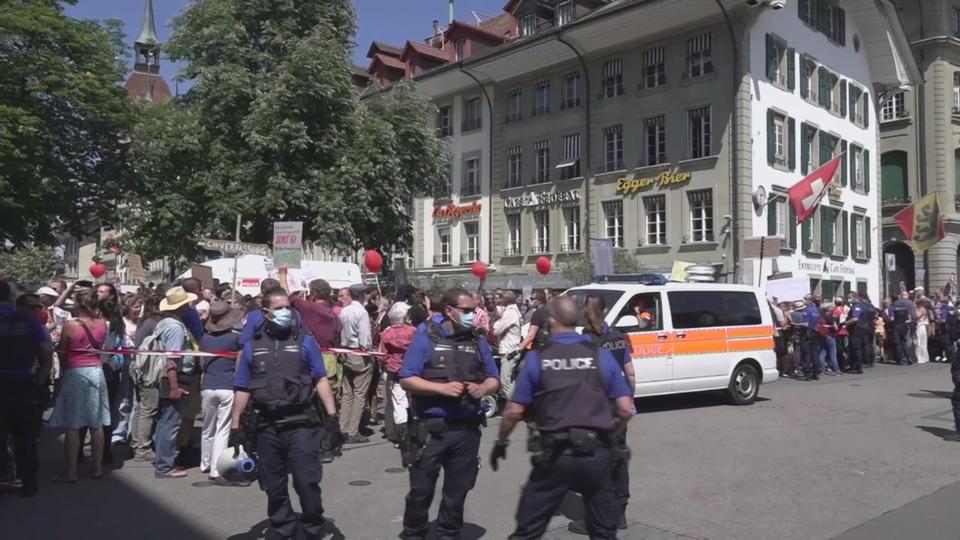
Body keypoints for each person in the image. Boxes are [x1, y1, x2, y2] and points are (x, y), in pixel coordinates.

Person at [490, 296, 633, 540]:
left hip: (555, 455)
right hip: (597, 454)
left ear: (551, 321)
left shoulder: (538, 359)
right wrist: (613, 435)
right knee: (603, 533)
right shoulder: (600, 355)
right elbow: (625, 408)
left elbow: (514, 411)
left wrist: (501, 442)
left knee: (528, 530)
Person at [229, 288, 341, 539]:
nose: (285, 313)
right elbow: (242, 387)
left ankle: (313, 523)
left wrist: (333, 417)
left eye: (287, 308)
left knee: (306, 481)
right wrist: (235, 426)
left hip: (301, 423)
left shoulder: (305, 341)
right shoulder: (252, 346)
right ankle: (283, 528)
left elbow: (320, 378)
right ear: (266, 313)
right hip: (266, 426)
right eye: (279, 308)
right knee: (273, 484)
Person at [398, 288, 500, 540]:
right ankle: (414, 533)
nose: (472, 316)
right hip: (431, 429)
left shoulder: (477, 340)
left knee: (457, 491)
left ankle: (448, 533)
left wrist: (483, 387)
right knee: (421, 491)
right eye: (466, 311)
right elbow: (407, 379)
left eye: (474, 311)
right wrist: (440, 388)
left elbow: (493, 379)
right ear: (449, 311)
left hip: (466, 429)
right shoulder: (426, 338)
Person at [567, 294, 636, 534]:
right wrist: (629, 400)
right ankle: (620, 514)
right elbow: (630, 372)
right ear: (605, 311)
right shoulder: (619, 336)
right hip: (619, 407)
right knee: (617, 459)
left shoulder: (583, 340)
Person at [49, 289, 110, 482]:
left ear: (77, 304)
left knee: (73, 424)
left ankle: (71, 471)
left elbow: (62, 350)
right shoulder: (102, 323)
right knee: (96, 422)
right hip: (96, 371)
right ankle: (98, 467)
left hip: (75, 373)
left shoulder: (70, 325)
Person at [0, 281, 53, 497]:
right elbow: (45, 351)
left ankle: (3, 474)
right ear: (11, 297)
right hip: (23, 383)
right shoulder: (26, 319)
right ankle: (28, 481)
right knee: (25, 435)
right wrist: (40, 378)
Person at [153, 286, 197, 479]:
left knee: (168, 421)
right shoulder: (174, 327)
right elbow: (172, 359)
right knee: (170, 422)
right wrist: (174, 385)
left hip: (174, 376)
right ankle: (164, 465)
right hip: (177, 377)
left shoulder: (167, 323)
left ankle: (165, 461)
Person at [199, 300, 242, 482]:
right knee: (222, 429)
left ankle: (205, 462)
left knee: (207, 427)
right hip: (227, 385)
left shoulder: (204, 339)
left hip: (208, 385)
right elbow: (239, 365)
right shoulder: (235, 339)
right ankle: (216, 469)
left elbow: (201, 363)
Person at [338, 284, 373, 444]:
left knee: (347, 392)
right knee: (359, 394)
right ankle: (353, 431)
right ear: (362, 295)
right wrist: (368, 351)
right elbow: (364, 337)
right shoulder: (361, 312)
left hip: (346, 351)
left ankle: (343, 428)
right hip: (359, 353)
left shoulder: (345, 311)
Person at [379, 303, 416, 445]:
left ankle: (402, 436)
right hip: (412, 371)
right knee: (412, 401)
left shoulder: (386, 333)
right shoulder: (414, 331)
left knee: (398, 403)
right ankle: (414, 432)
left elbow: (382, 356)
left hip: (394, 372)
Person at [492, 290, 523, 400]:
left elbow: (496, 330)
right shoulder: (513, 311)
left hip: (509, 352)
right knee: (511, 381)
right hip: (512, 350)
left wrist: (495, 320)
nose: (500, 300)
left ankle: (515, 406)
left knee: (505, 382)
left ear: (505, 299)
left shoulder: (510, 313)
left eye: (502, 298)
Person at [890, 291, 916, 365]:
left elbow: (891, 318)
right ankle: (908, 357)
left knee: (897, 343)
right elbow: (911, 316)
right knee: (904, 342)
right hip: (904, 325)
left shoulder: (894, 304)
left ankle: (901, 358)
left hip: (896, 325)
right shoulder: (907, 304)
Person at [819, 304, 841, 375]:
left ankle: (821, 369)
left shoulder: (821, 316)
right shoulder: (831, 317)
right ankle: (836, 369)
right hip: (831, 336)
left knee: (822, 352)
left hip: (823, 336)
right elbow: (835, 327)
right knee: (833, 353)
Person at [916, 298, 931, 365]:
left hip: (921, 326)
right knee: (920, 342)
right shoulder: (919, 309)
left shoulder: (922, 309)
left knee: (921, 342)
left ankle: (922, 357)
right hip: (920, 326)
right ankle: (922, 357)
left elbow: (918, 317)